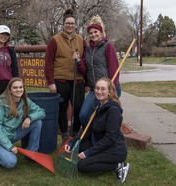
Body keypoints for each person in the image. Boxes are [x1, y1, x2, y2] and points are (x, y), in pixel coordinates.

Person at [65, 78, 129, 183]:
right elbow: (88, 130)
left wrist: (88, 153)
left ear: (110, 92)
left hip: (114, 150)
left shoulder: (113, 110)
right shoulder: (100, 106)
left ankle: (119, 166)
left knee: (82, 166)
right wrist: (72, 142)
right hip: (100, 143)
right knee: (80, 146)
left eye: (103, 89)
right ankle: (95, 156)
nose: (99, 92)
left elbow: (110, 138)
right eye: (97, 88)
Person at [45, 9, 86, 142]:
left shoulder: (80, 40)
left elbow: (85, 62)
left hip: (77, 80)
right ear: (63, 24)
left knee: (79, 108)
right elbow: (48, 63)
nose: (70, 25)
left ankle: (74, 134)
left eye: (72, 23)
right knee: (61, 108)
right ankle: (63, 134)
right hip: (60, 80)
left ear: (75, 25)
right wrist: (51, 82)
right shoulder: (55, 40)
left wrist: (87, 81)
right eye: (68, 23)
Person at [0, 77, 45, 168]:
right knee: (11, 162)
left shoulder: (24, 101)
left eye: (21, 87)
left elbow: (41, 112)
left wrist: (29, 118)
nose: (19, 90)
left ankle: (31, 153)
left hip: (12, 134)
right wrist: (10, 147)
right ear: (10, 90)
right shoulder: (0, 103)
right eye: (15, 88)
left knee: (37, 122)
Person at [78, 15, 121, 129]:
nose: (93, 34)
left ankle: (103, 139)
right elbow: (85, 70)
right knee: (84, 115)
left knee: (106, 117)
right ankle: (92, 136)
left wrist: (112, 90)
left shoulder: (108, 46)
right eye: (90, 33)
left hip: (109, 89)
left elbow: (114, 70)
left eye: (95, 31)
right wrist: (78, 61)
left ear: (101, 32)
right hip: (95, 90)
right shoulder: (87, 49)